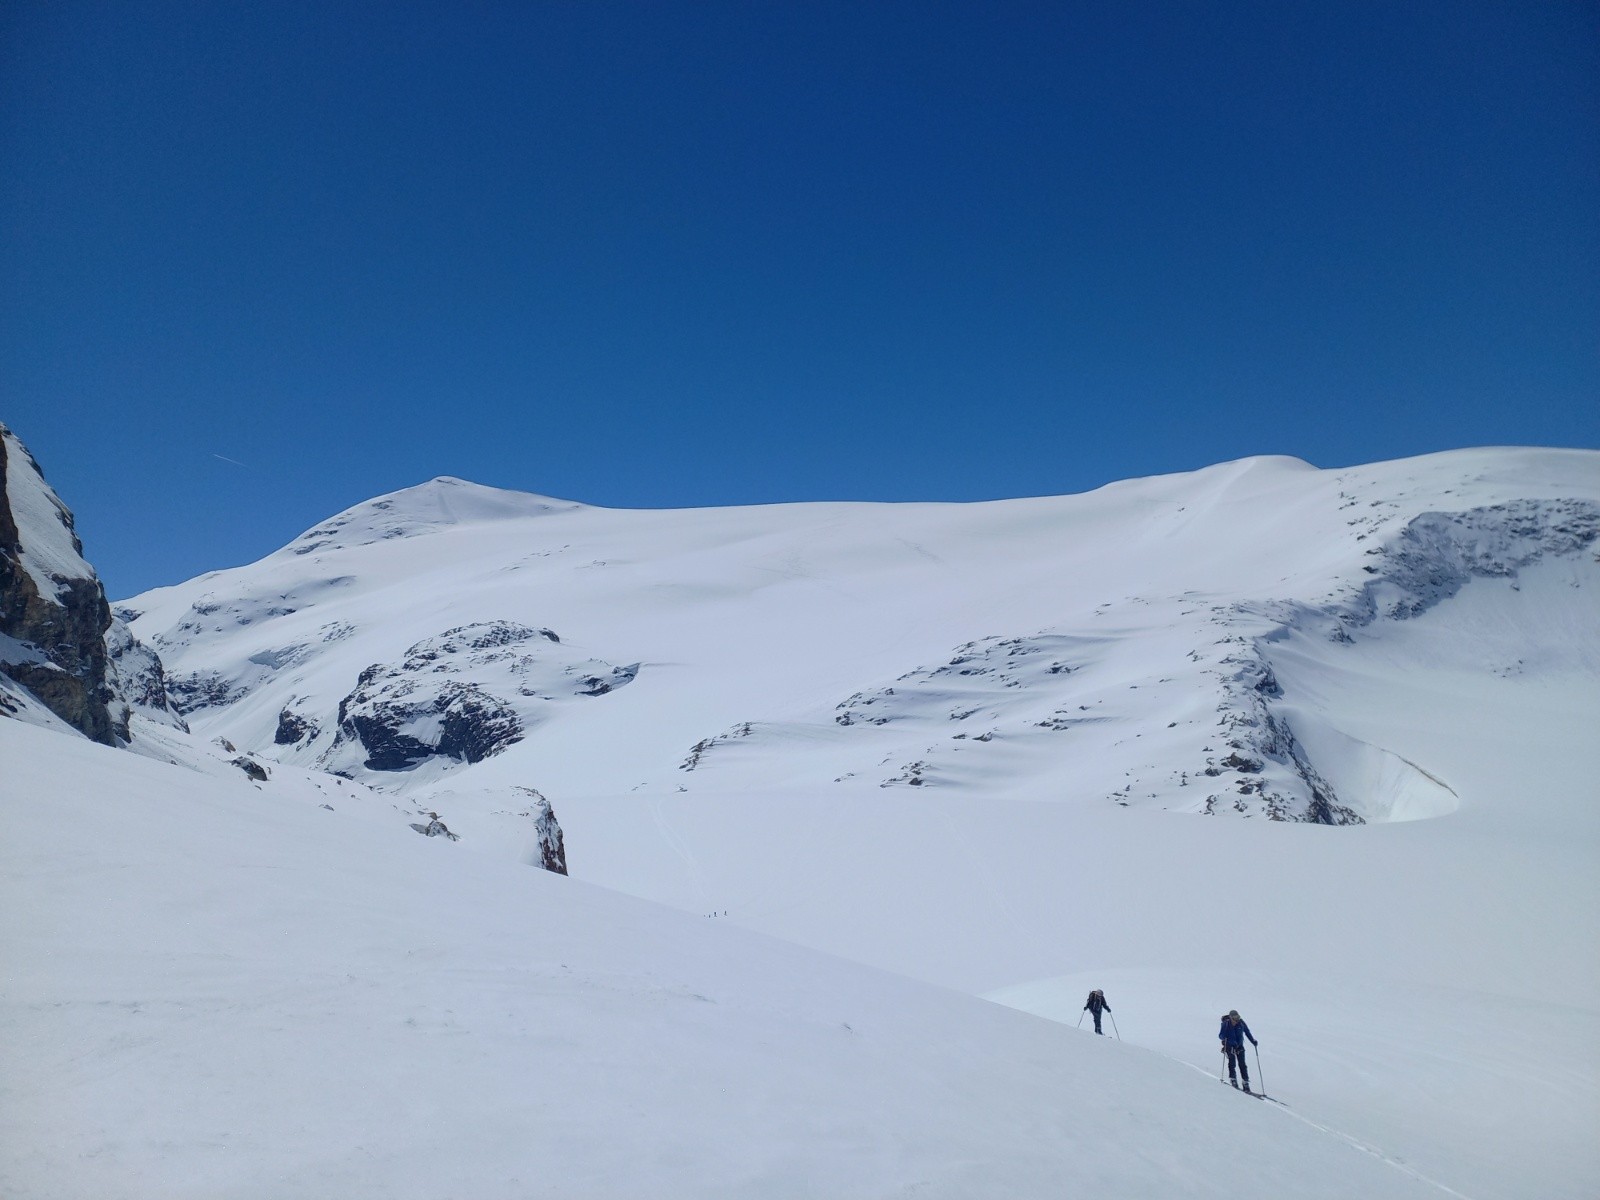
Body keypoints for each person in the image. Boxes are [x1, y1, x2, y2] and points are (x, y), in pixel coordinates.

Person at [1219, 1010, 1258, 1091]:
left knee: (1243, 1064)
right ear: (1231, 1018)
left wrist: (1253, 1041)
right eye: (1235, 1018)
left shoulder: (1241, 1023)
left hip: (1239, 1046)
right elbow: (1220, 1036)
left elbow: (1247, 1032)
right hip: (1230, 1046)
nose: (1236, 1020)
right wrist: (1224, 1035)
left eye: (1238, 1018)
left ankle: (1245, 1082)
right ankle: (1233, 1079)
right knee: (1232, 1062)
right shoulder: (1226, 1024)